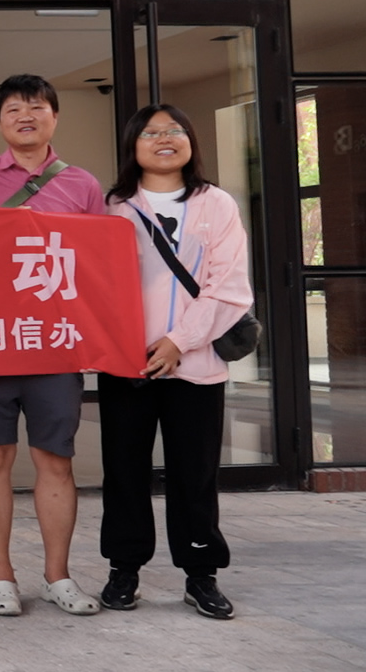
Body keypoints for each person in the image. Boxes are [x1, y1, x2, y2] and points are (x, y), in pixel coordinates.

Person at [0, 74, 107, 618]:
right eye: (13, 108)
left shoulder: (83, 185)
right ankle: (0, 577)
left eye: (36, 107)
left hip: (55, 345)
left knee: (55, 460)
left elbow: (99, 267)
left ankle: (58, 576)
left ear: (54, 117)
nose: (25, 116)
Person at [99, 104, 252, 620]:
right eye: (150, 132)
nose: (164, 138)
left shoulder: (217, 204)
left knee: (195, 473)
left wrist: (178, 342)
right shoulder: (113, 207)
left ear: (190, 141)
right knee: (124, 471)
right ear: (132, 145)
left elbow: (229, 287)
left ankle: (201, 574)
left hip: (197, 364)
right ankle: (124, 569)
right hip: (127, 365)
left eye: (174, 130)